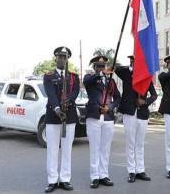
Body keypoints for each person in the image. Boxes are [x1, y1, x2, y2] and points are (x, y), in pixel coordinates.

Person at [115, 55, 157, 183]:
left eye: (137, 61)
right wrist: (131, 69)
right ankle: (131, 171)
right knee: (130, 143)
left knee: (140, 144)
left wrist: (144, 102)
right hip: (130, 112)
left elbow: (154, 95)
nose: (135, 63)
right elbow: (117, 69)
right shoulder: (127, 74)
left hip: (142, 113)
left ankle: (140, 170)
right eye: (133, 62)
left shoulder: (146, 78)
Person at [43, 47, 80, 193]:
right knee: (52, 149)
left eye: (65, 57)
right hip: (53, 116)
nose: (62, 59)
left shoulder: (73, 77)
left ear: (67, 59)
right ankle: (52, 180)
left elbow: (76, 91)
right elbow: (50, 93)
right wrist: (58, 108)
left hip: (69, 116)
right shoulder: (49, 75)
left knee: (67, 149)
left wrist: (68, 102)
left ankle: (65, 179)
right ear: (55, 58)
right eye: (60, 56)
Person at [83, 56, 121, 189]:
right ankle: (94, 176)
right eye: (98, 66)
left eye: (103, 66)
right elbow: (88, 82)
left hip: (108, 117)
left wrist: (109, 108)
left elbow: (117, 97)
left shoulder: (110, 81)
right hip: (94, 116)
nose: (101, 68)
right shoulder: (90, 78)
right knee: (95, 148)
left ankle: (104, 175)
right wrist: (100, 74)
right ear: (94, 68)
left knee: (105, 148)